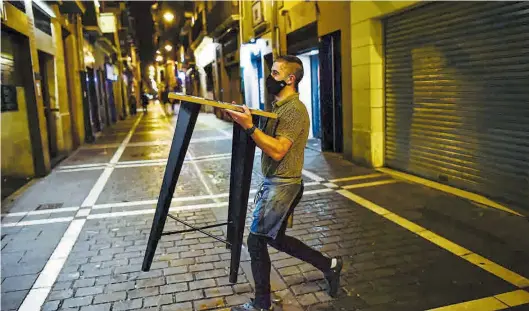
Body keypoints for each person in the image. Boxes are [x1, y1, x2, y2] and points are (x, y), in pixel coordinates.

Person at [225, 55, 343, 311]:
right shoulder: (278, 107)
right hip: (277, 183)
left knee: (256, 241)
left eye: (276, 73)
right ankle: (330, 265)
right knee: (276, 239)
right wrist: (247, 117)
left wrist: (248, 127)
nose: (271, 77)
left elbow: (278, 150)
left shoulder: (293, 110)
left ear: (291, 79)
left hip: (283, 185)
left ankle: (261, 304)